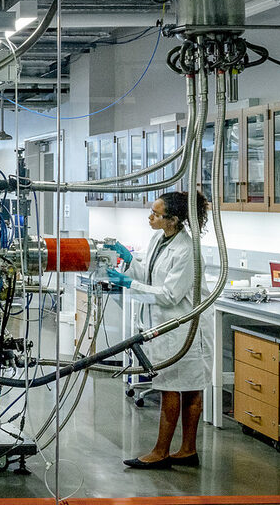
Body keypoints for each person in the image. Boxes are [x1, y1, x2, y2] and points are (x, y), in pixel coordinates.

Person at [106, 191, 212, 470]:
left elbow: (169, 295)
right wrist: (130, 262)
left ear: (173, 220)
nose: (150, 217)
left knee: (175, 389)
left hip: (185, 328)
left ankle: (161, 452)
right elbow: (149, 275)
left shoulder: (187, 250)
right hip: (167, 326)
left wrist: (129, 285)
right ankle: (187, 450)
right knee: (183, 388)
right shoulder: (159, 239)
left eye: (156, 213)